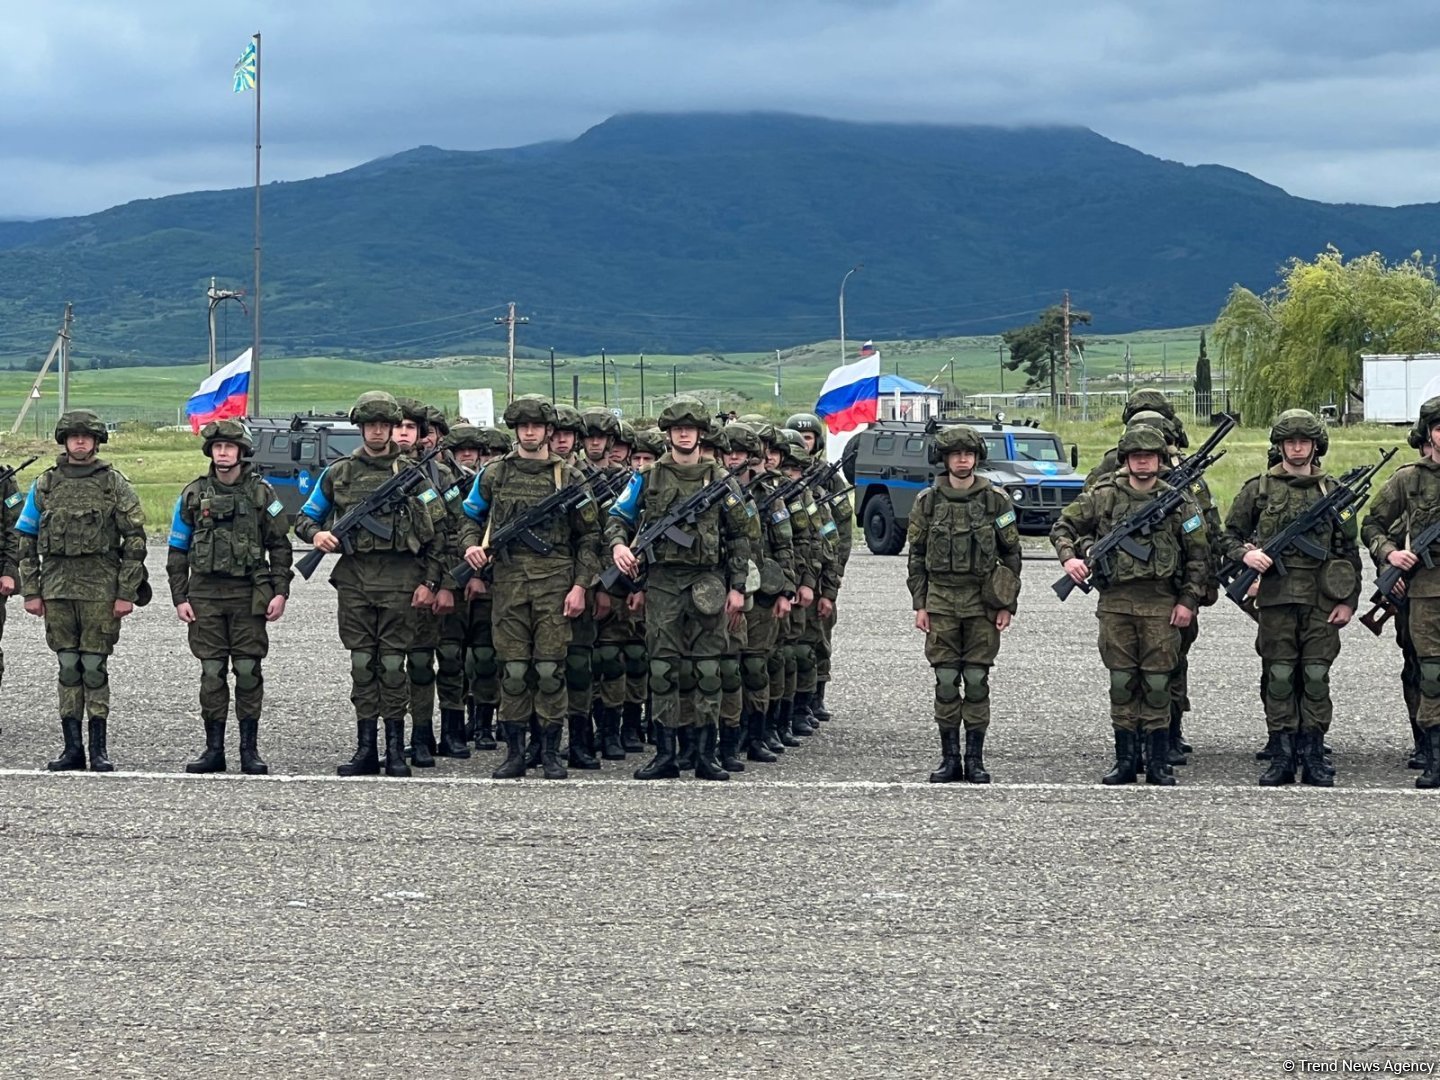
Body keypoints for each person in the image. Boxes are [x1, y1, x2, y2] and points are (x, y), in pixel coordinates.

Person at [294, 391, 446, 779]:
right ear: (361, 428)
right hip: (356, 581)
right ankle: (365, 748)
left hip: (402, 581)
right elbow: (305, 518)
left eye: (384, 425)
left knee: (394, 666)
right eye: (370, 425)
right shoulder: (339, 473)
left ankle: (396, 749)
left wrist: (430, 581)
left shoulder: (415, 473)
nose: (377, 432)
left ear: (393, 428)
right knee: (363, 665)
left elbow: (440, 531)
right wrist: (318, 537)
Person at [1052, 426, 1209, 786]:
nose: (1142, 461)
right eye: (1136, 456)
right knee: (1122, 682)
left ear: (1159, 460)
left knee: (1156, 684)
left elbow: (1199, 556)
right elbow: (1063, 526)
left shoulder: (1179, 501)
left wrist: (1188, 601)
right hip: (1117, 603)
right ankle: (1125, 760)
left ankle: (1157, 761)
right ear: (1125, 460)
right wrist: (1069, 559)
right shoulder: (1104, 495)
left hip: (1161, 604)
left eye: (1149, 456)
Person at [607, 397, 752, 780]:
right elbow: (618, 516)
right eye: (676, 429)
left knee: (707, 669)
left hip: (707, 581)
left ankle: (706, 754)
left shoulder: (721, 480)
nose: (684, 434)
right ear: (669, 434)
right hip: (663, 582)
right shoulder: (648, 476)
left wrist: (738, 588)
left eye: (690, 428)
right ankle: (666, 753)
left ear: (701, 434)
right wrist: (620, 545)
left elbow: (740, 536)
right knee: (662, 668)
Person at [460, 395, 602, 780]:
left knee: (551, 670)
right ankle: (515, 753)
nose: (530, 431)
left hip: (555, 583)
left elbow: (590, 537)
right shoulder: (495, 474)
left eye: (536, 426)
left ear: (548, 430)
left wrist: (580, 586)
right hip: (508, 583)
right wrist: (472, 546)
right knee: (515, 671)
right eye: (523, 426)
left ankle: (551, 753)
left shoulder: (568, 477)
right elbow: (470, 516)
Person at [1222, 409, 1361, 787]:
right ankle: (1282, 755)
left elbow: (1349, 552)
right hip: (1275, 600)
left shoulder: (1333, 493)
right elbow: (1227, 536)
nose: (1297, 448)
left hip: (1322, 600)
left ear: (1316, 446)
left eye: (1304, 441)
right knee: (1280, 677)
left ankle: (1313, 754)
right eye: (1290, 442)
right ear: (1279, 445)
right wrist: (1246, 556)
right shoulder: (1259, 489)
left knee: (1315, 676)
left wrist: (1349, 601)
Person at [16, 409, 148, 772]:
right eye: (73, 436)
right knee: (67, 666)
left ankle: (98, 750)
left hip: (100, 590)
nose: (79, 442)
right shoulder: (45, 484)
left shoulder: (113, 483)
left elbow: (135, 540)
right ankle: (72, 749)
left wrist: (126, 592)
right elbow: (25, 540)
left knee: (94, 666)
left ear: (95, 442)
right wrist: (31, 591)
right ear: (64, 441)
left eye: (86, 437)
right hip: (57, 589)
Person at [166, 419, 292, 774]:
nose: (223, 452)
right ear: (211, 451)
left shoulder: (262, 494)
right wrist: (180, 597)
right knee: (211, 672)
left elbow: (280, 547)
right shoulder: (193, 495)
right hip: (204, 593)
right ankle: (214, 749)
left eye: (230, 447)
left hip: (249, 593)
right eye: (217, 447)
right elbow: (177, 550)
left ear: (242, 452)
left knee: (249, 671)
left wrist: (280, 592)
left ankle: (249, 750)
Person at [907, 425, 1022, 783]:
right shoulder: (927, 501)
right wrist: (920, 604)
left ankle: (975, 759)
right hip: (940, 599)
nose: (962, 459)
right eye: (955, 454)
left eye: (968, 454)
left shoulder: (996, 500)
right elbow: (917, 556)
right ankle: (949, 758)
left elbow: (1011, 555)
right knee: (944, 680)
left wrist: (1007, 604)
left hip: (981, 602)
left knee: (975, 679)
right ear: (944, 459)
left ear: (977, 458)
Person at [1361, 395, 1440, 789]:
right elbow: (1371, 523)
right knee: (1430, 672)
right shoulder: (1408, 479)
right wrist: (1392, 554)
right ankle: (1432, 751)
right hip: (1423, 593)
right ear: (1429, 435)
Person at [391, 397, 461, 765]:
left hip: (426, 577)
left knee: (421, 662)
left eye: (410, 428)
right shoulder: (367, 469)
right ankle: (389, 739)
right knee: (385, 665)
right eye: (397, 426)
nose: (403, 433)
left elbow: (452, 531)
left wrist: (445, 584)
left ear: (422, 435)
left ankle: (422, 736)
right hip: (381, 582)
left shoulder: (440, 476)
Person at [787, 411, 853, 722]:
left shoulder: (828, 476)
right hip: (795, 570)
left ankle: (816, 694)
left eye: (808, 438)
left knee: (819, 636)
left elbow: (842, 528)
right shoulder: (782, 475)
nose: (802, 443)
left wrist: (832, 578)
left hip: (823, 564)